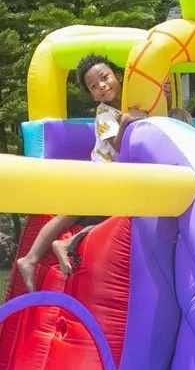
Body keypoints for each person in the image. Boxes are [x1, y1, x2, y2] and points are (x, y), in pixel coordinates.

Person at [16, 54, 149, 291]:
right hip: (101, 175)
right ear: (92, 95)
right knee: (69, 215)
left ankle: (61, 246)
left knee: (100, 220)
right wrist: (126, 121)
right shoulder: (105, 113)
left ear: (119, 76)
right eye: (93, 86)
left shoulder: (130, 104)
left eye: (105, 78)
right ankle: (31, 258)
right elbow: (118, 146)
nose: (102, 86)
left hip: (114, 178)